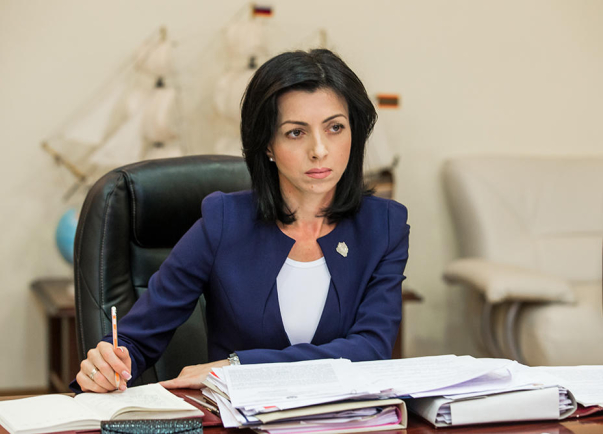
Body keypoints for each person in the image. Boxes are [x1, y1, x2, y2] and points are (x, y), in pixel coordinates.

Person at [75, 48, 409, 393]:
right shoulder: (223, 222)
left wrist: (237, 367)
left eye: (335, 128)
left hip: (344, 417)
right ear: (267, 145)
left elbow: (370, 350)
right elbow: (137, 339)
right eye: (296, 132)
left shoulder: (384, 227)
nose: (319, 150)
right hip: (237, 418)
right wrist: (108, 363)